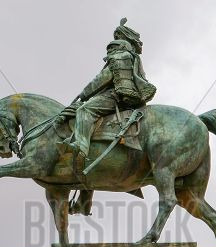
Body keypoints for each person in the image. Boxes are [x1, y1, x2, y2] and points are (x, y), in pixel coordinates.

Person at [57, 18, 156, 215]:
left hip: (115, 97)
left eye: (115, 38)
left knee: (84, 111)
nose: (112, 44)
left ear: (120, 39)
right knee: (96, 138)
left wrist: (82, 96)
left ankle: (82, 146)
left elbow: (103, 80)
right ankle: (84, 200)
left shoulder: (120, 55)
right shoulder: (133, 56)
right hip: (126, 98)